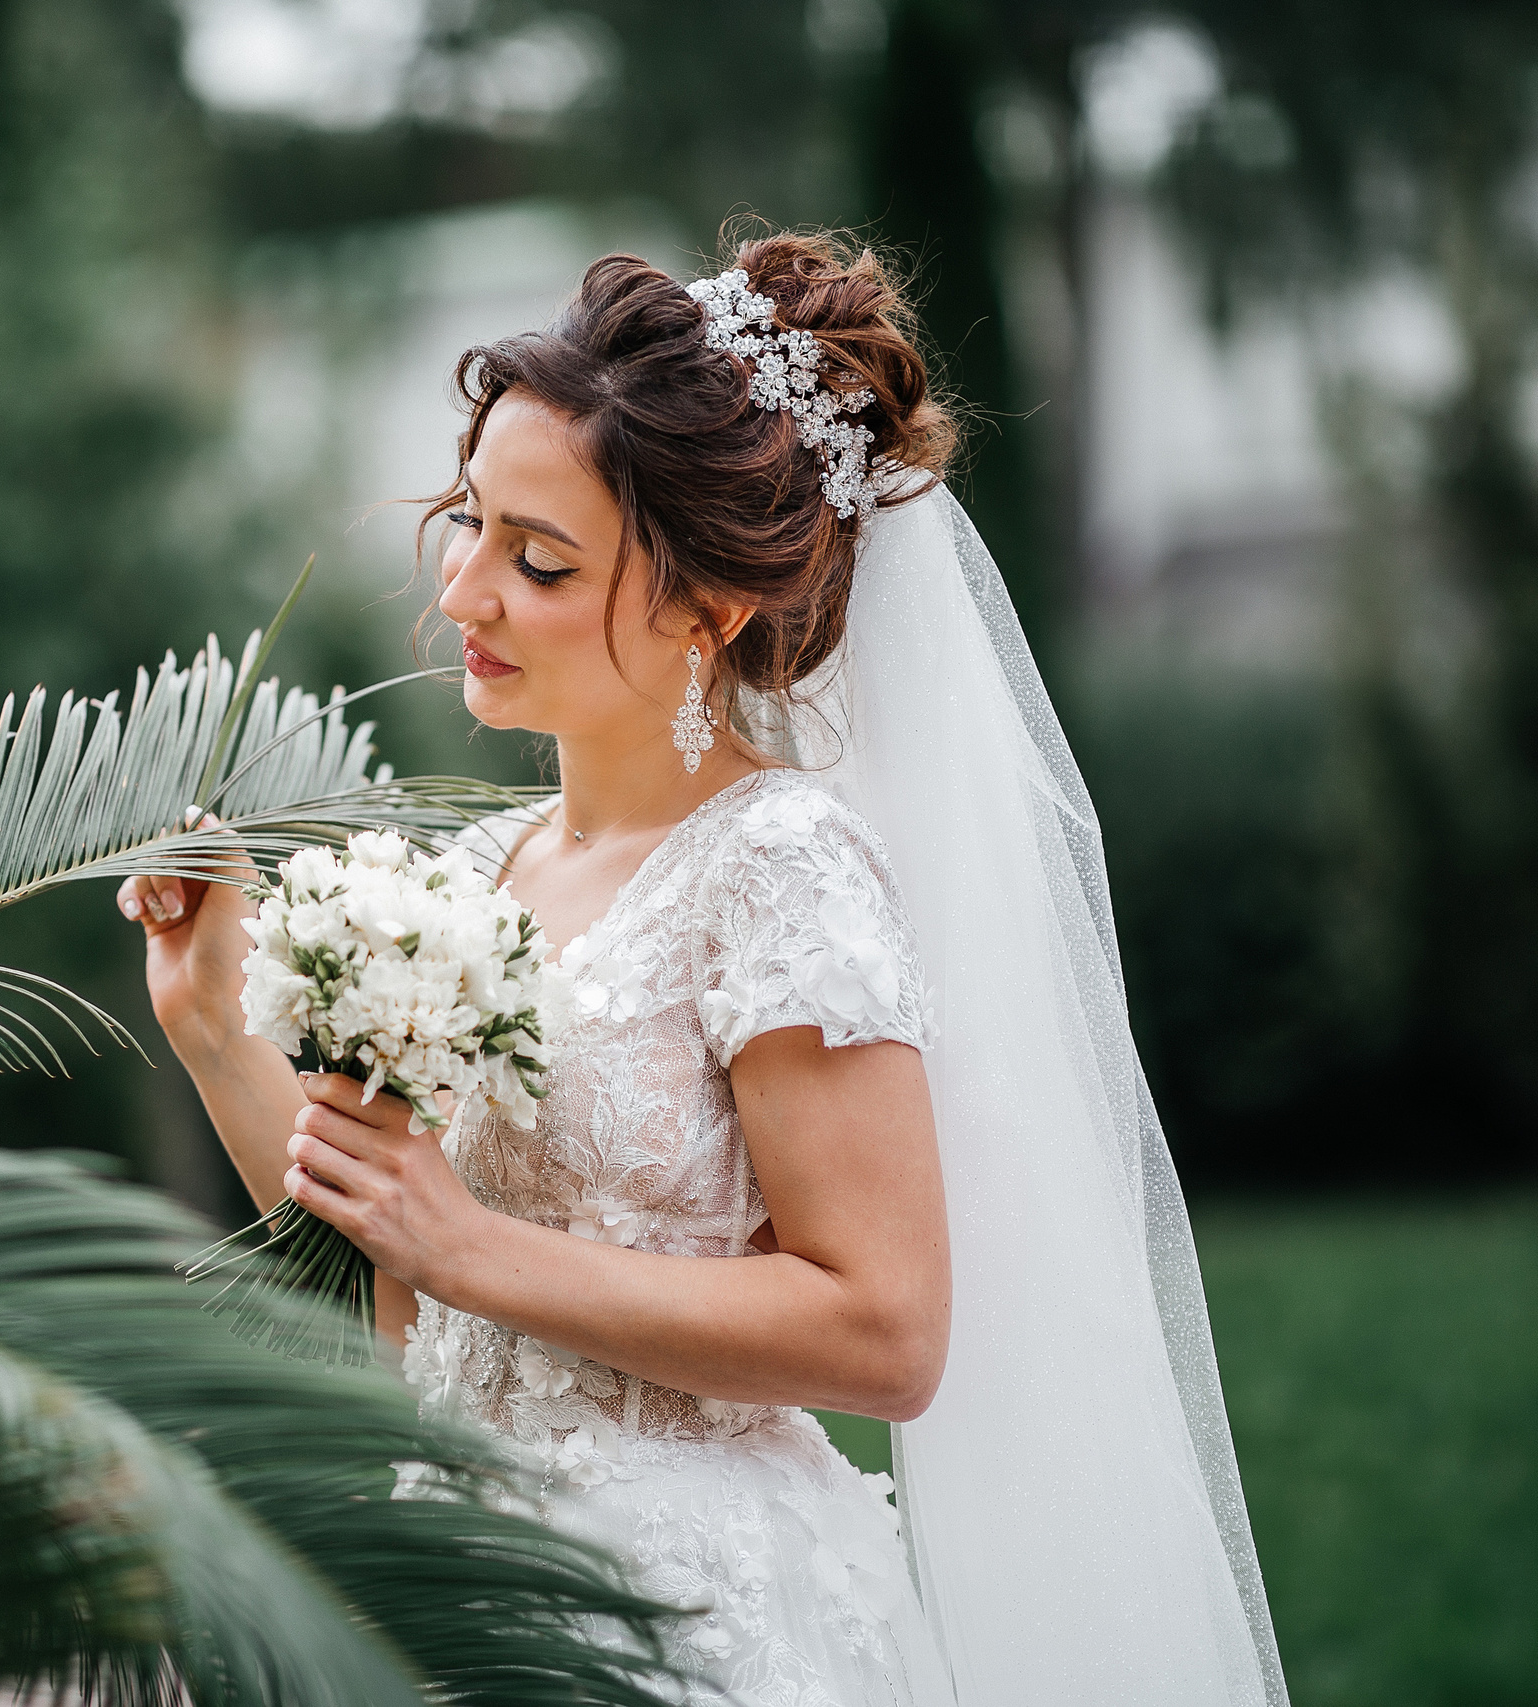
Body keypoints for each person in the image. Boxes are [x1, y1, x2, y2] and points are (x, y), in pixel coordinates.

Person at [119, 235, 1289, 1707]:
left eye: (540, 560)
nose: (465, 592)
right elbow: (406, 1307)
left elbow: (887, 1329)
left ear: (708, 608)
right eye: (470, 523)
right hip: (448, 1591)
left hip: (688, 1619)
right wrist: (211, 1017)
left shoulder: (781, 867)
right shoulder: (475, 873)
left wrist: (475, 1251)